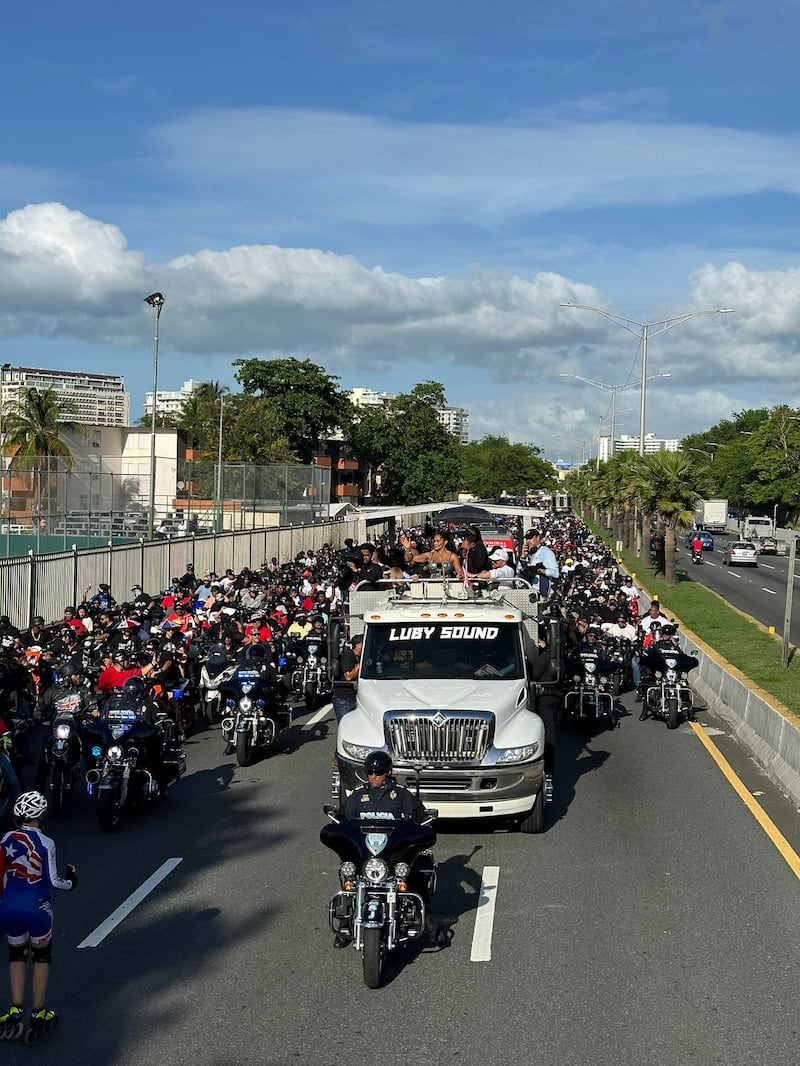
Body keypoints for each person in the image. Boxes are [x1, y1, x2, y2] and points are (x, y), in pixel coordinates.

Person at [334, 751, 435, 946]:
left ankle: (428, 919)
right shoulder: (358, 795)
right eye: (370, 772)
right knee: (347, 873)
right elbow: (341, 817)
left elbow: (421, 816)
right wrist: (337, 824)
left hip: (394, 854)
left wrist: (424, 822)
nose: (373, 776)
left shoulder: (401, 795)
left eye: (378, 772)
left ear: (387, 772)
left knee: (414, 872)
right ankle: (345, 923)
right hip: (366, 855)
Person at [0, 791, 77, 1040]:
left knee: (16, 955)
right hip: (37, 906)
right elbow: (53, 881)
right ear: (41, 815)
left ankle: (14, 1009)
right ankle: (38, 1012)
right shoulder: (47, 843)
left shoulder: (6, 837)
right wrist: (71, 882)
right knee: (41, 957)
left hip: (9, 904)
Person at [519, 529, 560, 596]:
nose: (528, 541)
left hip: (540, 592)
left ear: (537, 538)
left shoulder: (545, 551)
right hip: (527, 591)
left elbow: (556, 573)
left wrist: (539, 570)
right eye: (526, 539)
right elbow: (519, 571)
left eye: (530, 538)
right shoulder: (528, 553)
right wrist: (523, 557)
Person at [331, 636, 362, 723]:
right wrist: (358, 667)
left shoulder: (359, 657)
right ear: (358, 645)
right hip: (344, 698)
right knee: (345, 724)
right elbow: (348, 677)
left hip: (354, 697)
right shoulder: (349, 655)